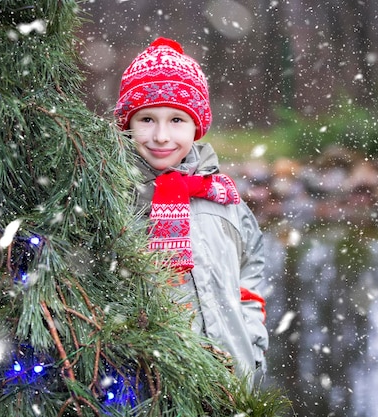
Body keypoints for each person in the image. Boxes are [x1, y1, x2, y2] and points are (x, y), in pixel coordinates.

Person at [114, 37, 268, 387]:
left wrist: (253, 348)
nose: (161, 136)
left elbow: (251, 270)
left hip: (229, 382)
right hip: (144, 386)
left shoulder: (224, 200)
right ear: (128, 124)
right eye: (147, 119)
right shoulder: (115, 201)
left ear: (196, 126)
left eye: (177, 120)